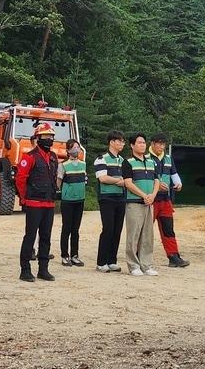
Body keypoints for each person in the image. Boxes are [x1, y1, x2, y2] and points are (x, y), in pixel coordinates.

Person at [15, 121, 59, 282]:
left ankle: (43, 269)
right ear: (38, 138)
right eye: (46, 136)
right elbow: (20, 179)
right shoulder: (29, 157)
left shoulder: (53, 157)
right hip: (34, 202)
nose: (49, 139)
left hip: (49, 202)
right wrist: (24, 197)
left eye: (51, 136)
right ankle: (25, 270)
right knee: (30, 236)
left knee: (46, 237)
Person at [122, 133, 161, 276]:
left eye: (144, 142)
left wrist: (153, 195)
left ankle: (147, 265)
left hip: (149, 203)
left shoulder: (152, 162)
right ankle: (133, 265)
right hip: (135, 203)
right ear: (132, 145)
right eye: (139, 143)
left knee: (147, 235)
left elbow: (157, 180)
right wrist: (144, 195)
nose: (142, 145)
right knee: (133, 235)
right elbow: (128, 183)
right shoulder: (128, 162)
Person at [149, 134, 189, 268]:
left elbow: (174, 174)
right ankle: (140, 255)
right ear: (152, 144)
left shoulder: (167, 158)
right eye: (159, 143)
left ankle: (173, 256)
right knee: (146, 230)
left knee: (168, 229)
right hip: (150, 199)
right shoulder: (145, 158)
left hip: (165, 200)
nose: (161, 146)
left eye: (163, 144)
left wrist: (178, 184)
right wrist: (156, 185)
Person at [93, 132, 128, 273]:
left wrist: (122, 182)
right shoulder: (102, 159)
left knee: (117, 230)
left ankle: (111, 260)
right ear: (112, 142)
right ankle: (101, 262)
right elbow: (103, 178)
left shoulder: (123, 160)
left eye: (123, 142)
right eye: (120, 141)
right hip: (107, 198)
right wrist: (119, 181)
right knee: (108, 229)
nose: (122, 144)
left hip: (121, 198)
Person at [57, 139, 87, 267]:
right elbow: (58, 182)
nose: (76, 149)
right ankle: (65, 255)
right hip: (68, 201)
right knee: (66, 228)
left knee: (76, 229)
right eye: (73, 147)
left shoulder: (83, 164)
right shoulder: (63, 165)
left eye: (78, 147)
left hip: (80, 200)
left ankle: (75, 255)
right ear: (68, 150)